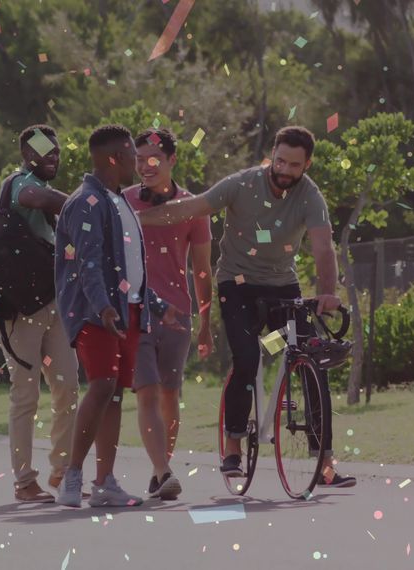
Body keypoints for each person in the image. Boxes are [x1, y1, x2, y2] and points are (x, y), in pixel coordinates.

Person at [137, 126, 357, 488]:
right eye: (281, 161)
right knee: (247, 358)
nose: (285, 170)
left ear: (307, 165)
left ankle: (326, 462)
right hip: (236, 285)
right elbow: (191, 208)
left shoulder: (309, 196)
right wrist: (137, 218)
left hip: (282, 286)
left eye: (295, 165)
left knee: (311, 362)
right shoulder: (241, 184)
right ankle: (233, 446)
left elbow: (322, 247)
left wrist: (328, 291)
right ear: (272, 154)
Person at [53, 124, 181, 507]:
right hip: (96, 313)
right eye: (131, 156)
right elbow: (87, 265)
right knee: (102, 386)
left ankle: (104, 481)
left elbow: (128, 269)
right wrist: (103, 306)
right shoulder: (86, 202)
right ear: (114, 158)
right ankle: (71, 477)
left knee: (113, 396)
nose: (137, 163)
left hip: (126, 311)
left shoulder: (118, 201)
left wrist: (155, 305)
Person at [0, 125, 80, 502]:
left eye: (56, 151)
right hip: (16, 306)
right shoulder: (18, 182)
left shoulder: (47, 193)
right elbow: (34, 197)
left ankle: (63, 472)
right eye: (44, 152)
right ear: (27, 155)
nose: (52, 157)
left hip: (52, 303)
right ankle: (25, 481)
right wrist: (81, 201)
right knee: (25, 395)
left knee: (68, 388)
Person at [122, 128, 213, 500]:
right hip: (135, 313)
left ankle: (161, 472)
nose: (145, 166)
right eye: (139, 160)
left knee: (170, 396)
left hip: (178, 315)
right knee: (146, 391)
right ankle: (164, 469)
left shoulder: (193, 208)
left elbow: (202, 269)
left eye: (153, 159)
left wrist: (206, 323)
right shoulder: (124, 201)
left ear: (172, 160)